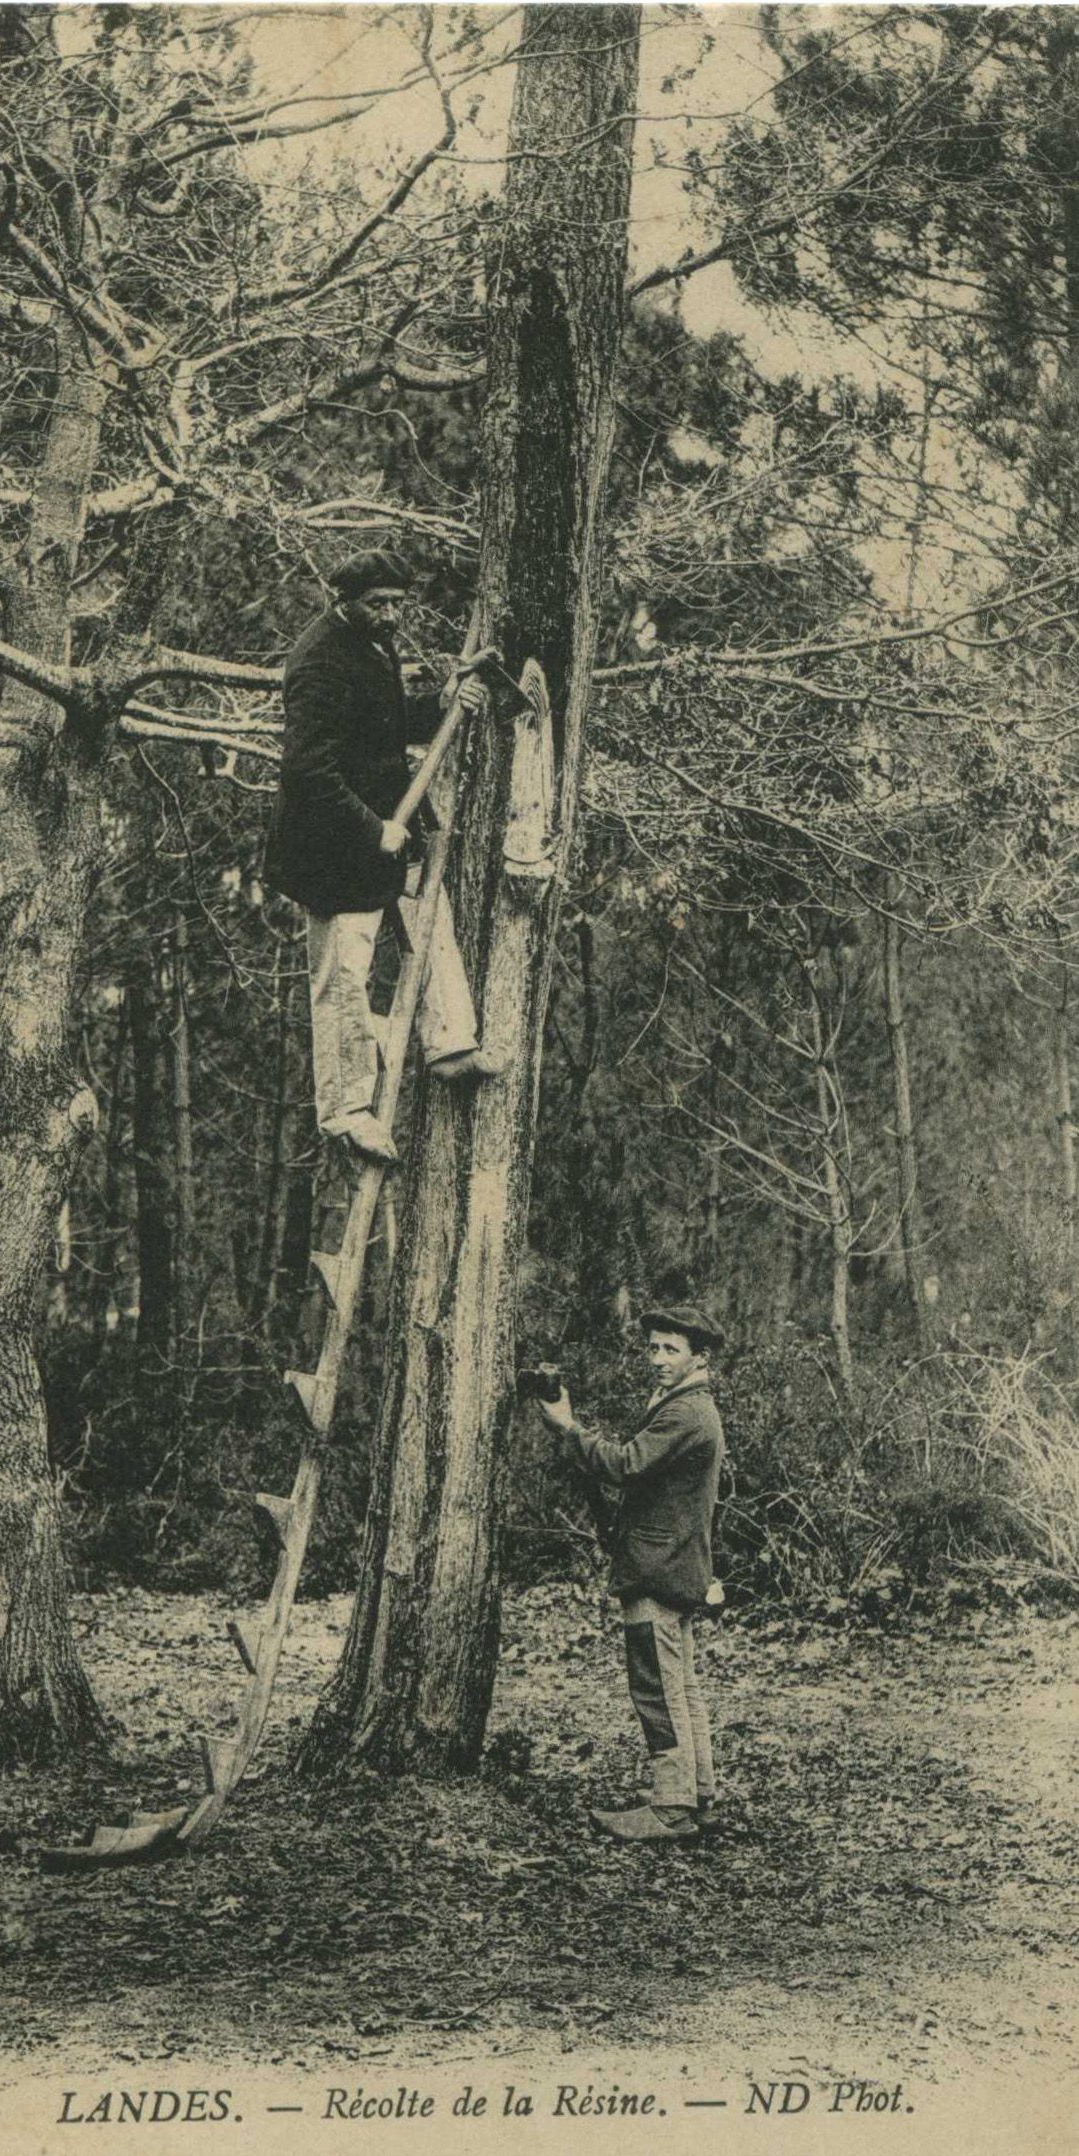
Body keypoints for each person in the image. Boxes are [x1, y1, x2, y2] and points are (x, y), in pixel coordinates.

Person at [263, 550, 501, 1166]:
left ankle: (449, 1042)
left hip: (388, 830)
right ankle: (345, 1110)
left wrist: (443, 701)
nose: (392, 615)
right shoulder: (317, 662)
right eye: (380, 604)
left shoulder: (371, 645)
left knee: (431, 919)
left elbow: (385, 729)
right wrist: (374, 830)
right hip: (334, 849)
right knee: (343, 975)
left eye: (398, 603)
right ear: (343, 601)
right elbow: (308, 770)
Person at [537, 1305, 727, 1842]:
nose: (658, 1359)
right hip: (672, 1563)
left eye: (671, 1349)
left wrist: (567, 1426)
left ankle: (671, 1806)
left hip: (657, 1568)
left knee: (656, 1687)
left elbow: (623, 1465)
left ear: (699, 1357)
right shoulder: (688, 1405)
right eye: (653, 1348)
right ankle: (698, 1793)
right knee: (680, 1686)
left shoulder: (686, 1412)